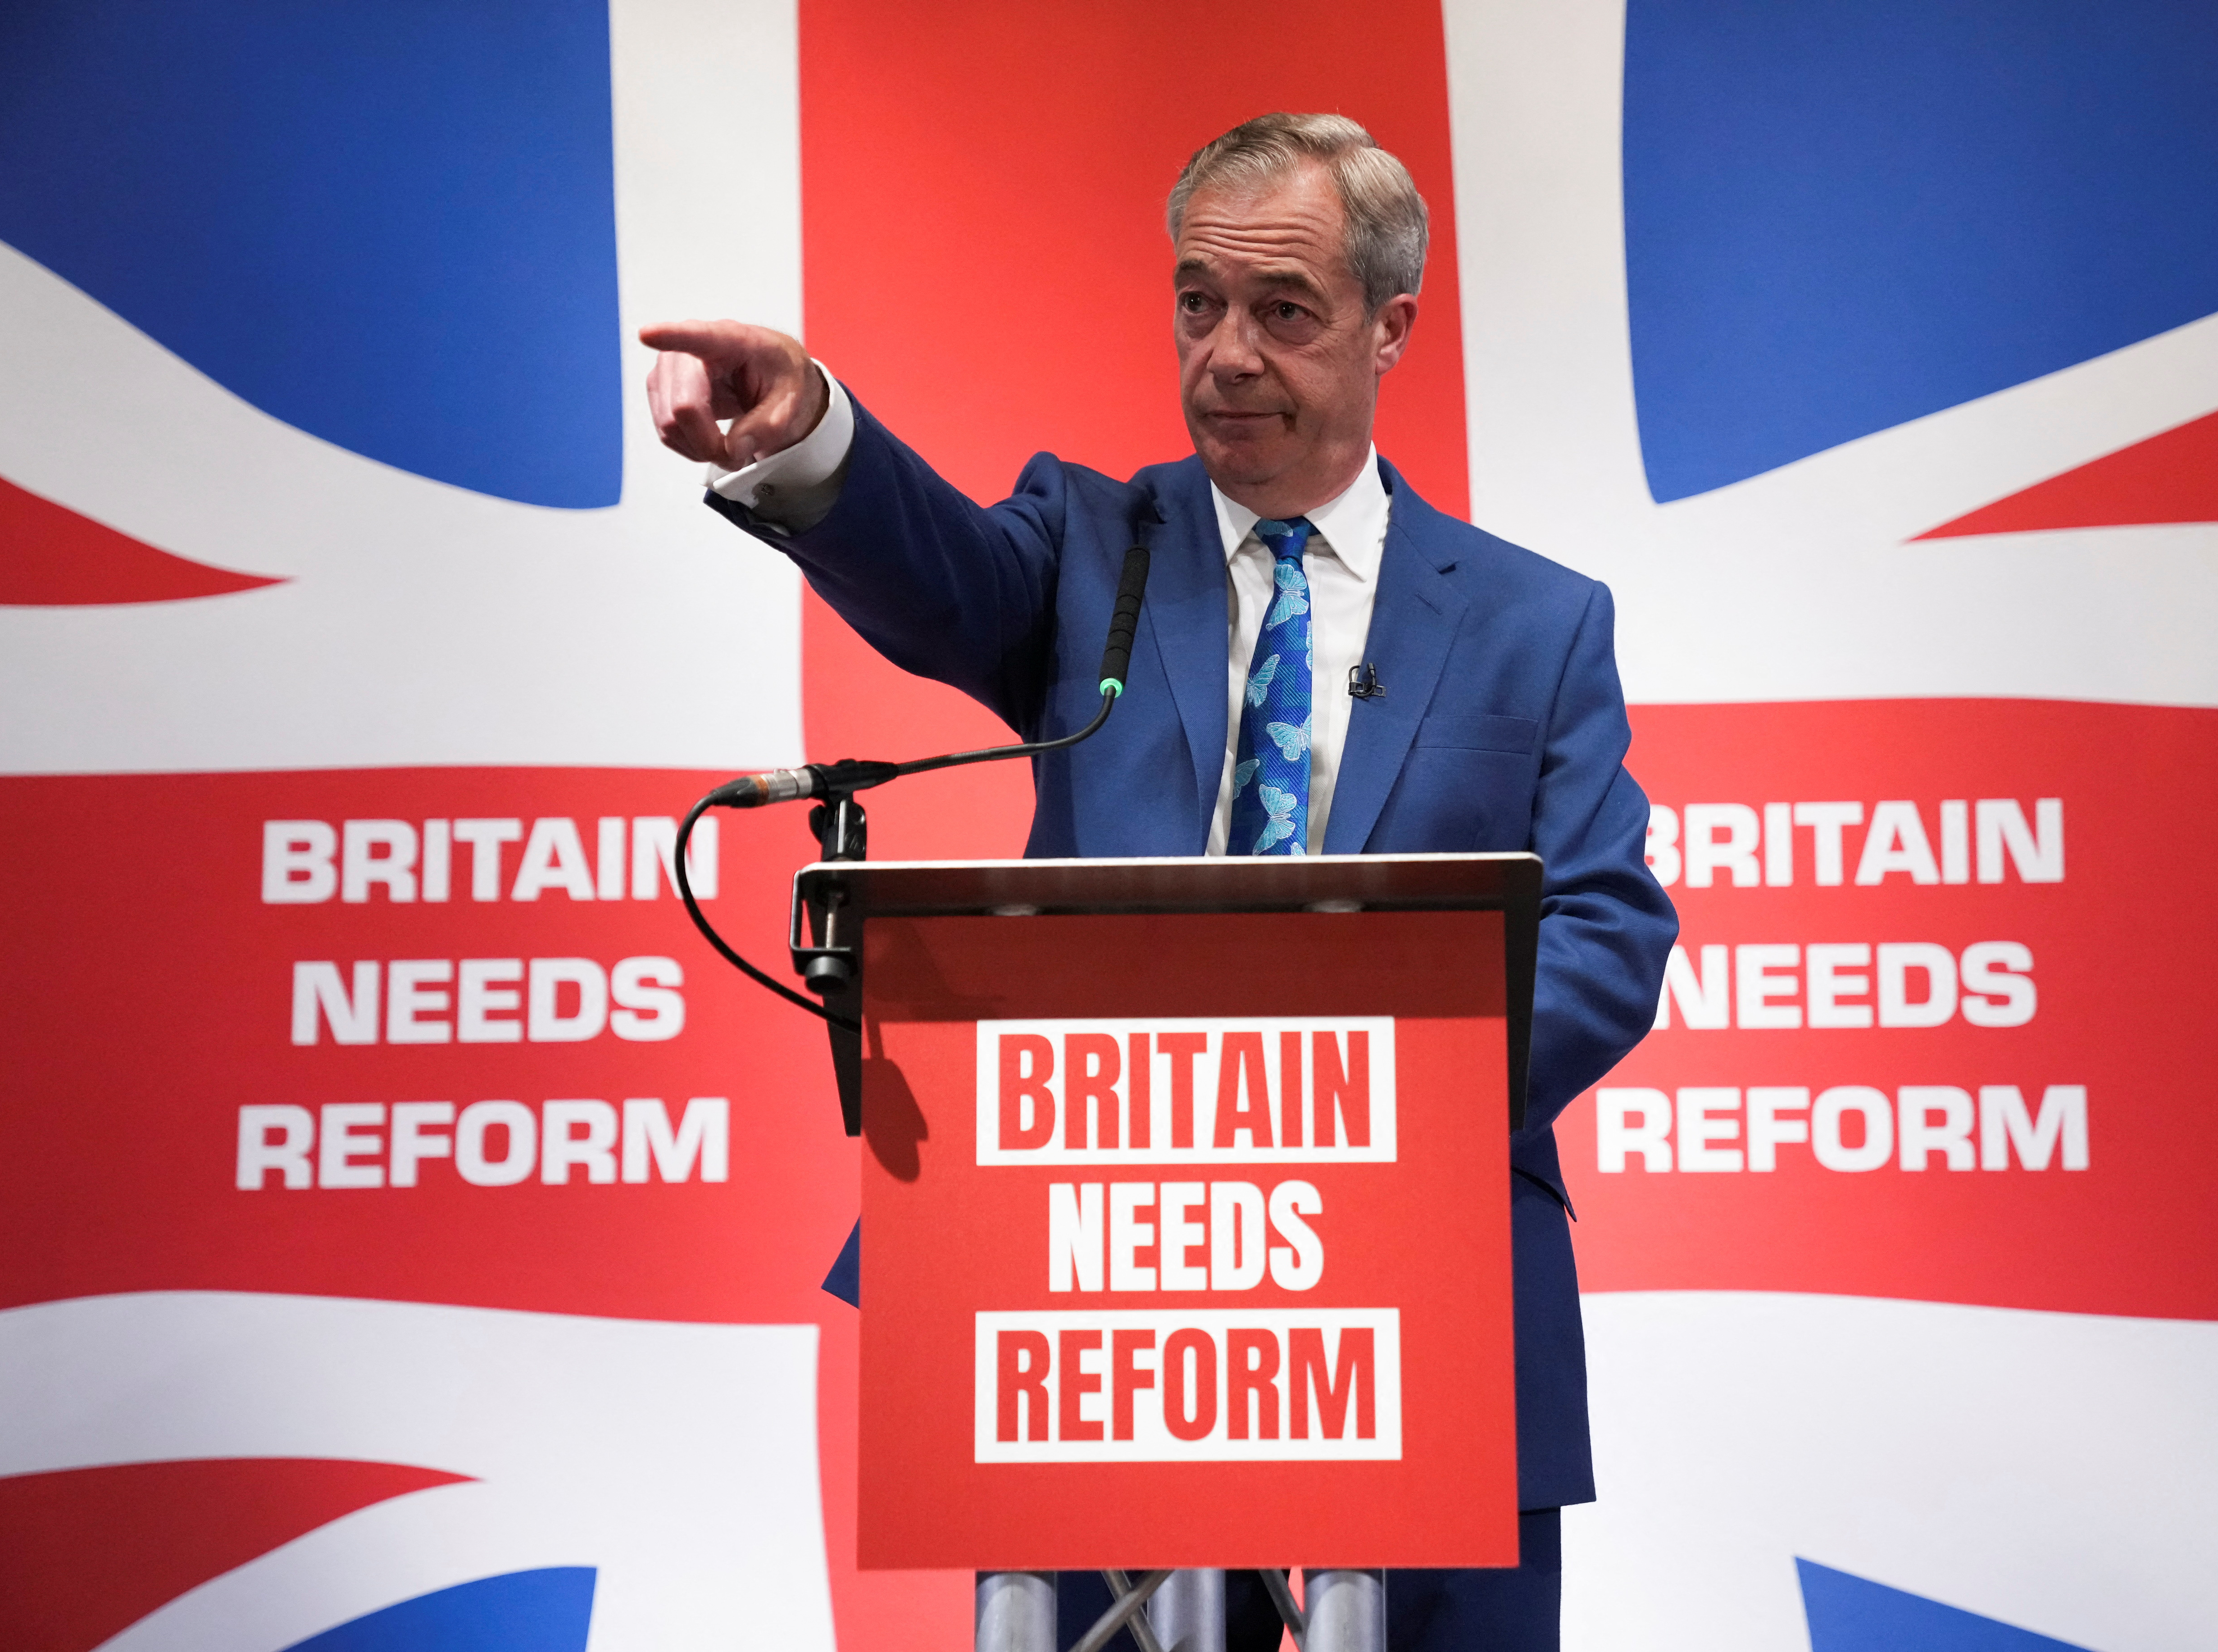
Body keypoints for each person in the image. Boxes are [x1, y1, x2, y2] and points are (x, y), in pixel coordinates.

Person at [642, 112, 1676, 1652]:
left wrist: (1364, 1114)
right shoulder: (1090, 548)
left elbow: (1605, 929)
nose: (1226, 355)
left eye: (1283, 310)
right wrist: (811, 433)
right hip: (1100, 1281)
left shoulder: (1536, 621)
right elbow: (936, 577)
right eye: (1199, 303)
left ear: (1390, 326)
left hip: (1434, 1288)